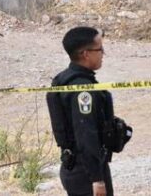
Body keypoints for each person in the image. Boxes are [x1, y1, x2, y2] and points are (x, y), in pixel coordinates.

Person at [47, 27, 115, 196]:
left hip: (75, 167)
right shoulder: (82, 90)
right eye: (100, 49)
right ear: (86, 54)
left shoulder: (63, 80)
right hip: (85, 172)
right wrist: (97, 178)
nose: (103, 54)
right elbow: (86, 134)